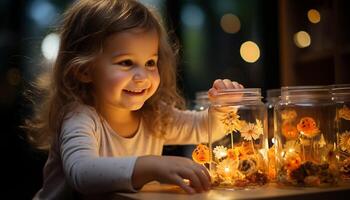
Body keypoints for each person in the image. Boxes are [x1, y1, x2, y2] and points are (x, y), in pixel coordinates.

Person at [25, 0, 244, 199]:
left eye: (150, 62)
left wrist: (223, 110)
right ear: (84, 70)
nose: (142, 77)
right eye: (126, 62)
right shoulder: (79, 117)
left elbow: (203, 129)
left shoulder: (154, 115)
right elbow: (82, 174)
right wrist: (152, 166)